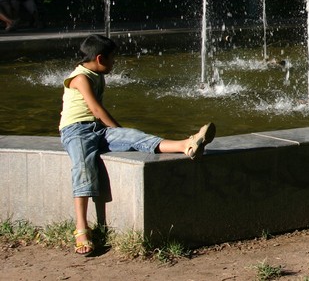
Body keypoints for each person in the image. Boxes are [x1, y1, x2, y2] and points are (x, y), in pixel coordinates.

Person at [59, 34, 216, 255]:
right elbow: (96, 110)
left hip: (98, 130)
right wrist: (117, 130)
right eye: (112, 59)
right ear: (100, 58)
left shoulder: (95, 73)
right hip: (76, 131)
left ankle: (186, 145)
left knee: (136, 137)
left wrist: (121, 132)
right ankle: (81, 228)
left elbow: (99, 117)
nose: (114, 64)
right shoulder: (80, 78)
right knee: (83, 169)